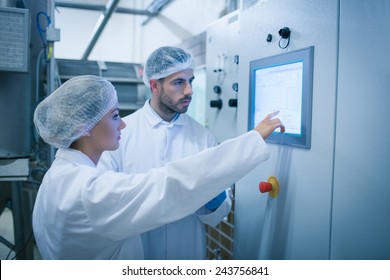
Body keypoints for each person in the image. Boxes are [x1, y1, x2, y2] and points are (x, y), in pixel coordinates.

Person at [32, 75, 284, 260]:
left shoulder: (56, 177)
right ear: (81, 127)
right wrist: (252, 139)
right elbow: (168, 184)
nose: (122, 126)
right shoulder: (89, 192)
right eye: (115, 116)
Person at [99, 46, 230, 260]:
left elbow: (219, 214)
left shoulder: (203, 137)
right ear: (154, 85)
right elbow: (104, 202)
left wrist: (214, 200)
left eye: (191, 81)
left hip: (186, 253)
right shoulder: (121, 134)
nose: (189, 91)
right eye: (179, 82)